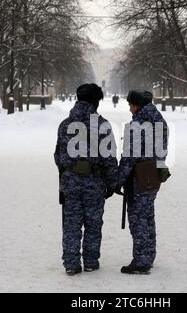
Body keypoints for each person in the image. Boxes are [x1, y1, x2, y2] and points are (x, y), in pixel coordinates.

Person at [54, 83, 118, 276]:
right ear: (95, 101)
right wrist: (113, 183)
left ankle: (71, 263)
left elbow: (58, 156)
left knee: (71, 224)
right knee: (93, 223)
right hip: (95, 183)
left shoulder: (65, 124)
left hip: (70, 183)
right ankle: (90, 261)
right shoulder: (102, 124)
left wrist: (68, 173)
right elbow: (109, 158)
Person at [117, 89, 169, 274]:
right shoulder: (160, 121)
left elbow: (130, 156)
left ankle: (141, 261)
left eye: (131, 105)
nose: (130, 109)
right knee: (148, 216)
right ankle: (149, 255)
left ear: (136, 105)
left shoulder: (138, 124)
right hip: (153, 174)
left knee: (138, 218)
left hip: (138, 176)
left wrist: (118, 179)